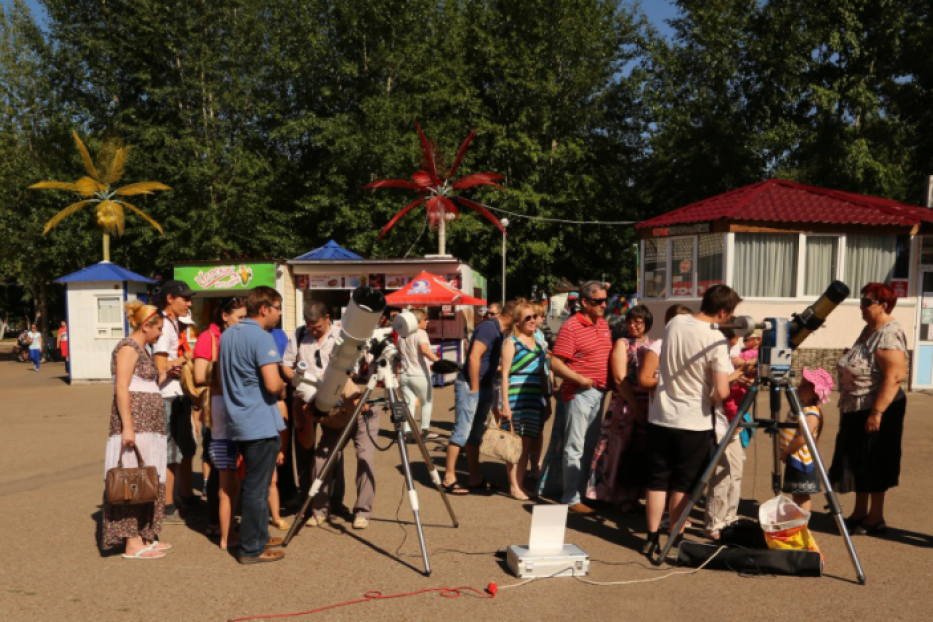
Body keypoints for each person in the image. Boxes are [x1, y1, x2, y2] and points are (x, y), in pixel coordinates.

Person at [643, 285, 740, 556]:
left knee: (657, 481)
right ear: (722, 312)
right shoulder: (717, 341)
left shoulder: (675, 322)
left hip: (661, 416)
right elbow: (721, 391)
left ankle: (651, 537)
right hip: (693, 422)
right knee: (682, 483)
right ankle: (677, 536)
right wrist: (711, 397)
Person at [829, 283, 908, 536]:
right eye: (860, 302)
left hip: (878, 408)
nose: (861, 307)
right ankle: (860, 511)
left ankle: (876, 517)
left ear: (883, 305)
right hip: (856, 407)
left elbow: (894, 376)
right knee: (857, 459)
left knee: (875, 460)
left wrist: (877, 413)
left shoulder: (888, 334)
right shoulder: (868, 330)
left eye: (867, 303)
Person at [219, 286, 287, 564]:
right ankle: (251, 548)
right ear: (264, 309)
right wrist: (284, 385)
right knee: (257, 489)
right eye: (278, 307)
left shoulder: (228, 335)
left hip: (239, 420)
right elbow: (273, 383)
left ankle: (257, 535)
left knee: (253, 485)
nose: (280, 313)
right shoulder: (261, 338)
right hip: (259, 422)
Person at [102, 301, 171, 559]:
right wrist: (128, 428)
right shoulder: (127, 348)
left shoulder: (143, 348)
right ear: (146, 325)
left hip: (150, 426)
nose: (161, 333)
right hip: (137, 424)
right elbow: (122, 388)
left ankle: (144, 534)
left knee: (147, 479)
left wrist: (168, 372)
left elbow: (145, 382)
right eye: (159, 328)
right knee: (131, 479)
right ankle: (131, 543)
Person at [550, 281, 613, 514]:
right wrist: (580, 379)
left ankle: (584, 493)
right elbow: (556, 363)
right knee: (575, 446)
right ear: (584, 302)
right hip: (580, 393)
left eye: (605, 300)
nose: (603, 305)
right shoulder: (571, 326)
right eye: (598, 301)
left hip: (598, 394)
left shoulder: (603, 324)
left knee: (589, 446)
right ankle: (571, 497)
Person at [442, 301, 516, 495]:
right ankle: (449, 477)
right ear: (512, 316)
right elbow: (474, 356)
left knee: (475, 434)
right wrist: (474, 386)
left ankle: (474, 476)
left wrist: (487, 386)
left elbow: (486, 360)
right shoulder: (489, 328)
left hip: (482, 387)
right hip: (470, 385)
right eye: (524, 317)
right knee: (462, 431)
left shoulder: (498, 331)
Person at [586, 305, 655, 511]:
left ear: (646, 323)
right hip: (625, 403)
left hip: (647, 403)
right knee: (618, 451)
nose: (633, 325)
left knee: (639, 453)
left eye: (638, 321)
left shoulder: (653, 344)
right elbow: (619, 378)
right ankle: (613, 496)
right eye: (630, 321)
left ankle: (633, 497)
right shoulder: (622, 343)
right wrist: (636, 407)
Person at [281, 301, 347, 516]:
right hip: (304, 401)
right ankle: (307, 499)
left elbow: (351, 369)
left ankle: (334, 500)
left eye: (317, 327)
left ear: (327, 318)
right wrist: (299, 382)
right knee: (304, 450)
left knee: (332, 451)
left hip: (333, 401)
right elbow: (286, 365)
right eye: (310, 327)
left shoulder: (341, 335)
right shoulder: (299, 335)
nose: (313, 331)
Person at [194, 296, 247, 549]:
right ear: (224, 316)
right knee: (219, 473)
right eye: (239, 317)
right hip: (217, 410)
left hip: (228, 409)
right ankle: (217, 523)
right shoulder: (210, 337)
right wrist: (226, 370)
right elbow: (198, 375)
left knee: (227, 475)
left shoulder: (233, 337)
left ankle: (225, 524)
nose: (243, 323)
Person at [152, 280, 197, 523]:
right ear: (170, 298)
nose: (189, 303)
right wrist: (186, 358)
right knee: (171, 451)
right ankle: (168, 504)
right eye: (185, 298)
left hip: (178, 394)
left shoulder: (173, 323)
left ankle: (184, 495)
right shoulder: (164, 326)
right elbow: (160, 367)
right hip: (166, 395)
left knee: (186, 447)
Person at [704, 328, 755, 541]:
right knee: (721, 475)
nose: (734, 341)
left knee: (736, 471)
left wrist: (745, 376)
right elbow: (715, 390)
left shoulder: (735, 354)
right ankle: (715, 522)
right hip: (718, 422)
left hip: (735, 422)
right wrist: (738, 374)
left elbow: (737, 367)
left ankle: (730, 516)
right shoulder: (714, 352)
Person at [500, 302, 549, 500]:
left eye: (534, 317)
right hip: (515, 397)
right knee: (514, 444)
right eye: (527, 318)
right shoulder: (511, 342)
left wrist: (546, 399)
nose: (532, 321)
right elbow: (504, 375)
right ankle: (513, 486)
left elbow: (543, 374)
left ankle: (519, 484)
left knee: (527, 443)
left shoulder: (538, 344)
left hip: (533, 397)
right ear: (518, 321)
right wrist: (505, 404)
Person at [780, 368, 834, 513]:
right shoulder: (801, 408)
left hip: (802, 461)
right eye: (800, 384)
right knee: (796, 493)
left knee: (802, 495)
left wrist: (787, 450)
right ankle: (798, 520)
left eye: (804, 386)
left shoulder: (811, 412)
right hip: (795, 458)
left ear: (815, 392)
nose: (799, 388)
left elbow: (805, 438)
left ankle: (802, 522)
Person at [399, 309, 440, 441]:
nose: (427, 321)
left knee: (409, 404)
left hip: (405, 374)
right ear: (417, 321)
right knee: (426, 402)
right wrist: (439, 362)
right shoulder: (420, 332)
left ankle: (407, 432)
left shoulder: (402, 334)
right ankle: (425, 431)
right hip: (419, 374)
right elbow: (425, 350)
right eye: (425, 319)